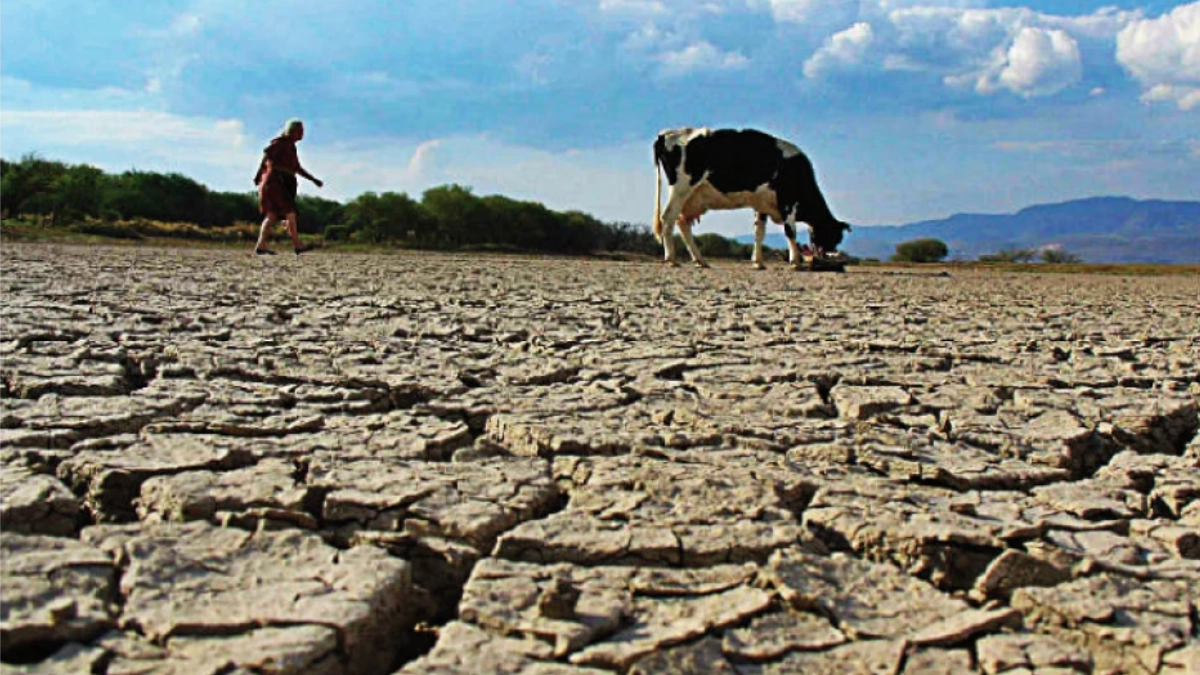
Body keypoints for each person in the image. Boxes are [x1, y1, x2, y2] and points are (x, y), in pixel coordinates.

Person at [252, 119, 323, 256]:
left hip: (281, 182)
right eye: (300, 130)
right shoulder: (280, 142)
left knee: (272, 215)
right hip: (275, 182)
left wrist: (313, 180)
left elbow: (296, 168)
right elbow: (267, 156)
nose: (302, 134)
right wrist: (258, 174)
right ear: (293, 130)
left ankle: (261, 246)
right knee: (290, 212)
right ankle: (297, 245)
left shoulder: (291, 147)